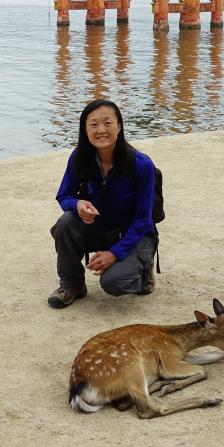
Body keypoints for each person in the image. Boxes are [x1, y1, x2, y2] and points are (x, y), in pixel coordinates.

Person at [48, 99, 157, 309]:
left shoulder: (141, 165)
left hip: (135, 235)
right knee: (65, 223)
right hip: (102, 227)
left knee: (112, 282)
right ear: (84, 129)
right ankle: (72, 284)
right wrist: (78, 203)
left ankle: (143, 273)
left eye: (108, 123)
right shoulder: (80, 157)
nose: (101, 130)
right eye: (94, 124)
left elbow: (144, 219)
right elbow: (64, 195)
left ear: (120, 126)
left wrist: (115, 253)